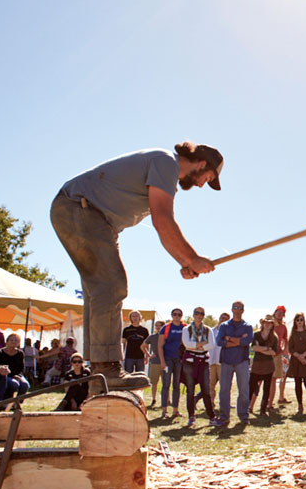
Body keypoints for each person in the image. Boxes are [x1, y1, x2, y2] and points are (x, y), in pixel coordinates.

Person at [50, 142, 223, 390]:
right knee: (110, 286)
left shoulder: (163, 167)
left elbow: (162, 225)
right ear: (202, 164)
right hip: (82, 209)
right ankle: (105, 369)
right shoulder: (166, 162)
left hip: (88, 214)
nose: (202, 184)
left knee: (99, 290)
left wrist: (185, 261)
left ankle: (99, 370)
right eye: (208, 178)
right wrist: (192, 258)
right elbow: (162, 220)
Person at [215, 301, 253, 426]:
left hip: (242, 360)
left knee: (243, 390)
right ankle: (224, 416)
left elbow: (247, 341)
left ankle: (243, 415)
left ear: (243, 310)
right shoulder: (224, 326)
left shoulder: (247, 326)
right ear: (232, 309)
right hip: (226, 360)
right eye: (235, 307)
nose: (237, 310)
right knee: (224, 390)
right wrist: (238, 340)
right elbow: (219, 341)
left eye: (240, 307)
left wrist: (229, 338)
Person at [182, 306, 217, 427]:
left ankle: (212, 417)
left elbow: (211, 344)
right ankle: (191, 416)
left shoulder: (208, 330)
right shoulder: (187, 329)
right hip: (190, 361)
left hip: (203, 360)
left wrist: (197, 346)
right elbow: (186, 344)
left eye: (201, 314)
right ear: (193, 315)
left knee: (206, 389)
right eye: (197, 313)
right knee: (190, 389)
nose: (199, 315)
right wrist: (200, 344)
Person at [248, 315, 280, 417]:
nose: (267, 324)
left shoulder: (274, 338)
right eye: (265, 322)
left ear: (272, 325)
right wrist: (267, 348)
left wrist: (261, 348)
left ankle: (263, 410)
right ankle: (246, 408)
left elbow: (273, 352)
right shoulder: (256, 335)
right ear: (262, 324)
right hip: (257, 365)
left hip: (268, 366)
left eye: (269, 323)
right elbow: (253, 348)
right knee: (251, 387)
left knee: (266, 389)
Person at [287, 312, 306, 415]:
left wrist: (304, 356)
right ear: (295, 322)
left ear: (304, 321)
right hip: (296, 361)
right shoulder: (293, 333)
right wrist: (299, 357)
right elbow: (290, 348)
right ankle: (300, 405)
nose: (299, 322)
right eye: (297, 320)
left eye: (301, 320)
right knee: (297, 384)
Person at [158, 309, 186, 419]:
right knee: (165, 384)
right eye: (175, 314)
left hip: (179, 360)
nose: (177, 316)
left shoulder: (185, 327)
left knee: (177, 385)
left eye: (179, 314)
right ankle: (164, 410)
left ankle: (175, 410)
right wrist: (162, 361)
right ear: (171, 315)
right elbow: (160, 346)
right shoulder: (166, 328)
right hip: (167, 358)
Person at [0, 333, 31, 398]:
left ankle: (17, 402)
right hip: (4, 375)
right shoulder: (0, 352)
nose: (13, 342)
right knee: (14, 384)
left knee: (25, 385)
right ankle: (7, 401)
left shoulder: (20, 353)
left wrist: (18, 376)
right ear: (7, 341)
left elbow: (21, 368)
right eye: (11, 340)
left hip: (17, 375)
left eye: (16, 340)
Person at [141, 320, 167, 408]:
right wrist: (148, 355)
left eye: (159, 326)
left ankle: (167, 400)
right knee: (154, 382)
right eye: (156, 326)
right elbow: (142, 346)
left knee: (166, 383)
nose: (157, 327)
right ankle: (154, 399)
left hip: (166, 362)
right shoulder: (152, 337)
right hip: (155, 362)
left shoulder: (167, 336)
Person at [270, 306, 289, 406]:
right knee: (268, 378)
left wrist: (285, 353)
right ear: (275, 312)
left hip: (279, 354)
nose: (280, 314)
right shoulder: (269, 323)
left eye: (282, 313)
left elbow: (285, 339)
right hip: (268, 354)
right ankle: (268, 400)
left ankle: (281, 397)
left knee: (282, 376)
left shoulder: (283, 327)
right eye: (278, 312)